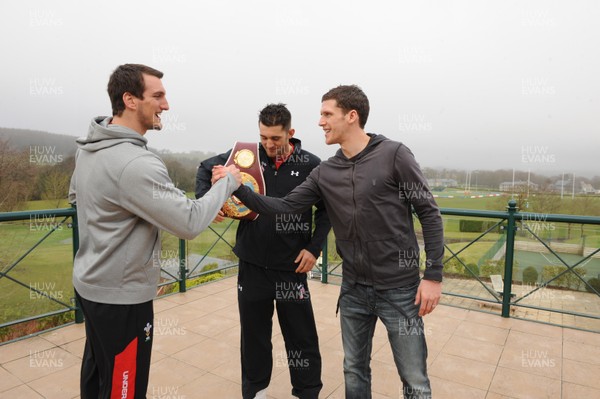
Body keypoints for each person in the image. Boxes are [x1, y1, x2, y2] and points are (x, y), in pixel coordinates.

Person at [225, 85, 444, 399]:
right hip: (353, 289)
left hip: (399, 288)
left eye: (327, 114)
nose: (320, 122)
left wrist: (433, 276)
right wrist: (238, 188)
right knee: (354, 371)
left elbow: (429, 213)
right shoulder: (326, 170)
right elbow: (285, 206)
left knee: (414, 378)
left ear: (351, 116)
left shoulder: (394, 154)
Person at [68, 63, 241, 399]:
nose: (166, 105)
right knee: (124, 389)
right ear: (130, 100)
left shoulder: (90, 147)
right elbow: (189, 223)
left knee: (98, 377)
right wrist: (227, 183)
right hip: (122, 298)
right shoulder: (136, 163)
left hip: (90, 286)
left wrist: (152, 208)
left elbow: (78, 196)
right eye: (158, 96)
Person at [196, 103, 331, 399]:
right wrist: (209, 200)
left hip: (292, 267)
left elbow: (325, 211)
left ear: (291, 133)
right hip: (252, 263)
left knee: (301, 336)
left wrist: (314, 248)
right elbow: (206, 167)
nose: (269, 145)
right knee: (255, 336)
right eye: (264, 137)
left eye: (276, 139)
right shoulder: (247, 156)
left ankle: (307, 392)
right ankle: (256, 392)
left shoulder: (312, 164)